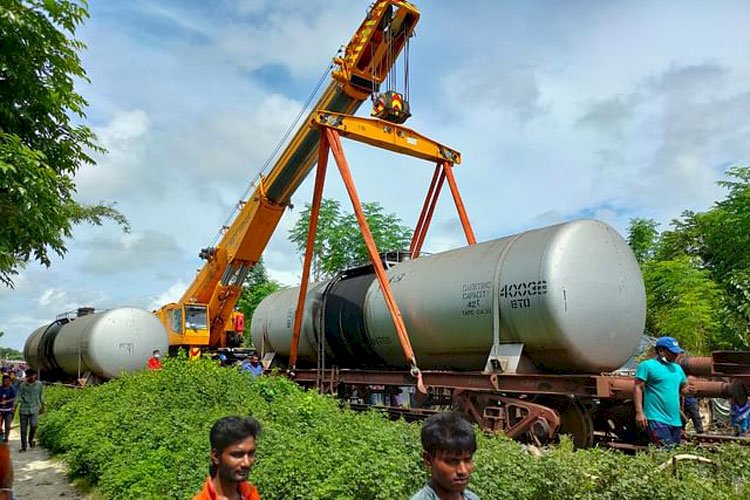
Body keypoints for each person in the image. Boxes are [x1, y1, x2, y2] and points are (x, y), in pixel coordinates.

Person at [411, 412, 480, 500]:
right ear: (428, 459)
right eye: (452, 461)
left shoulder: (472, 498)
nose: (463, 471)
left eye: (467, 460)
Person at [634, 336, 687, 447]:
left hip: (675, 420)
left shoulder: (677, 369)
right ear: (661, 351)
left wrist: (691, 391)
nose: (676, 355)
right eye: (672, 352)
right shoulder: (647, 366)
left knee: (674, 453)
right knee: (664, 450)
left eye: (677, 352)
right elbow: (638, 388)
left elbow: (683, 389)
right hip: (656, 418)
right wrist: (639, 412)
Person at [194, 416, 261, 500]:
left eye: (250, 453)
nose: (246, 463)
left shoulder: (251, 494)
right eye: (237, 455)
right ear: (216, 456)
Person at [15, 368, 44, 452]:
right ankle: (23, 447)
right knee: (23, 429)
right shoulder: (22, 385)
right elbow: (18, 396)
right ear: (27, 376)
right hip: (24, 409)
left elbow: (41, 396)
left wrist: (43, 406)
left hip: (35, 409)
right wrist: (14, 406)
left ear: (35, 375)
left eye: (33, 375)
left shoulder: (39, 384)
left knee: (33, 425)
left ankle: (30, 440)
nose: (31, 377)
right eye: (29, 376)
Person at [0, 376, 16, 442]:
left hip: (9, 410)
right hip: (0, 410)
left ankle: (6, 437)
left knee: (7, 425)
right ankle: (1, 435)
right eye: (5, 381)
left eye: (8, 381)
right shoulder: (0, 389)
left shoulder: (12, 389)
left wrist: (7, 401)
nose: (7, 382)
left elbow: (14, 398)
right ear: (2, 381)